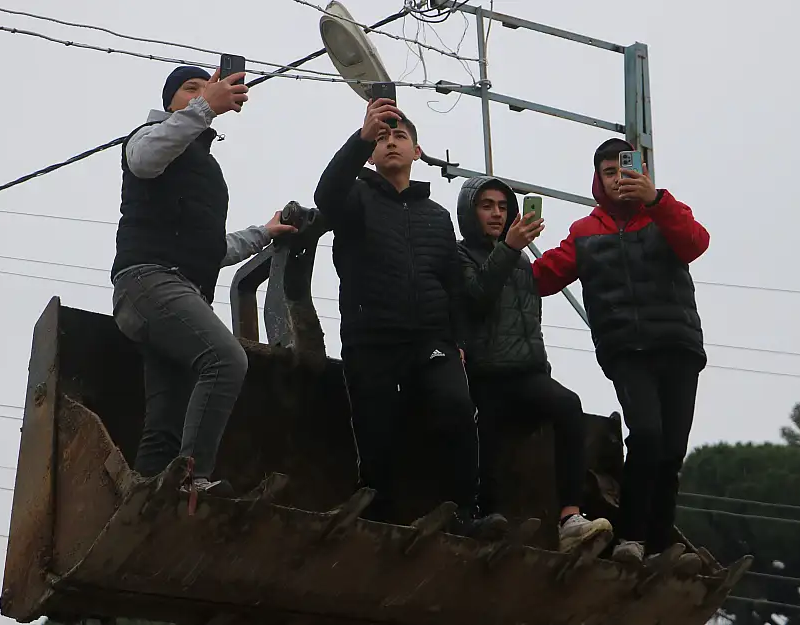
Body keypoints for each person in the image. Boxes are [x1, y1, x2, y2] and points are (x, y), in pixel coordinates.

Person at [313, 96, 506, 540]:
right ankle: (376, 514)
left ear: (417, 152)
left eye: (400, 135)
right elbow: (325, 194)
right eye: (383, 137)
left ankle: (465, 511)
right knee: (376, 424)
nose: (391, 142)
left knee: (458, 407)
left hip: (431, 339)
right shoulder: (355, 198)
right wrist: (361, 138)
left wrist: (457, 339)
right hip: (372, 335)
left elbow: (452, 285)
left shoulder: (437, 217)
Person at [110, 65, 298, 496]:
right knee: (226, 360)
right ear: (170, 103)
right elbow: (141, 159)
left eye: (206, 87)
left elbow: (211, 249)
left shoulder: (204, 169)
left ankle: (146, 510)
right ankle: (191, 481)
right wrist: (203, 108)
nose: (204, 93)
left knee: (166, 423)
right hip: (149, 282)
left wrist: (264, 234)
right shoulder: (147, 138)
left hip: (180, 292)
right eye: (191, 89)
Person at [531, 137, 708, 569]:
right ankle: (632, 539)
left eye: (625, 169)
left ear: (641, 172)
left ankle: (660, 545)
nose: (618, 179)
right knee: (646, 435)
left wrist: (658, 200)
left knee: (671, 450)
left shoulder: (664, 213)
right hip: (626, 348)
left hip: (678, 344)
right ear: (598, 179)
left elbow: (695, 243)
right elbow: (542, 277)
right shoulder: (585, 232)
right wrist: (504, 255)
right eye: (609, 172)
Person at [455, 176, 615, 555]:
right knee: (488, 436)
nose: (497, 213)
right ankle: (484, 519)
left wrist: (540, 366)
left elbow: (529, 320)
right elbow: (476, 297)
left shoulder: (522, 261)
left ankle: (570, 518)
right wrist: (508, 249)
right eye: (486, 205)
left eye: (502, 206)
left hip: (527, 371)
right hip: (486, 372)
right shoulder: (459, 254)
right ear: (469, 211)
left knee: (568, 405)